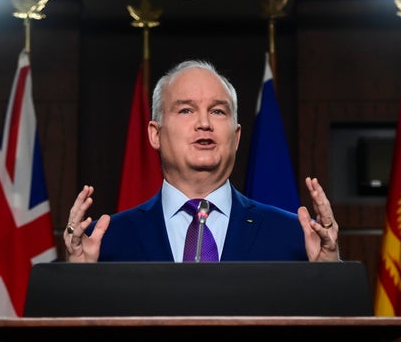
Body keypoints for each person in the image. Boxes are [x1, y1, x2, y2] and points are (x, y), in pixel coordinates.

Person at [64, 59, 340, 263]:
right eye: (186, 110)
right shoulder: (107, 241)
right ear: (155, 134)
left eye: (218, 111)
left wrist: (328, 273)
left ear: (236, 136)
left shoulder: (294, 237)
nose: (204, 123)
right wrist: (80, 277)